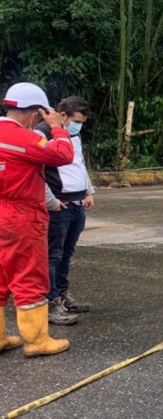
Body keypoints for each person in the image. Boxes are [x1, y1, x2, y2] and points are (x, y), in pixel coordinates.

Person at [0, 83, 74, 357]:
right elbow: (63, 154)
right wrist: (57, 127)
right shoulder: (23, 138)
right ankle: (36, 341)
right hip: (20, 215)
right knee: (29, 275)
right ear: (34, 114)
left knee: (1, 277)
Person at [36, 96, 94, 325]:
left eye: (81, 122)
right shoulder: (42, 133)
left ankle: (62, 294)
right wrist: (51, 200)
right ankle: (50, 303)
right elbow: (37, 171)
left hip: (77, 203)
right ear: (62, 114)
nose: (78, 125)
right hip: (58, 205)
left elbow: (79, 164)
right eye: (76, 120)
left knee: (67, 254)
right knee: (53, 256)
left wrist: (89, 191)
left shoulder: (75, 135)